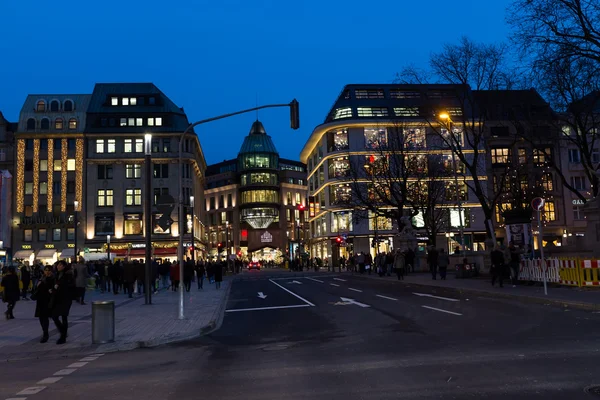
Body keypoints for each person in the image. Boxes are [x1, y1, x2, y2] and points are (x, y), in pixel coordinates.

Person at [51, 260, 75, 344]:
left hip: (65, 298)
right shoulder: (57, 274)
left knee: (64, 316)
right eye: (58, 265)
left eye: (60, 265)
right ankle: (63, 331)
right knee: (54, 316)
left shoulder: (68, 275)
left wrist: (59, 286)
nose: (58, 266)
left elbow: (71, 285)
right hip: (58, 298)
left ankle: (63, 336)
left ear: (64, 266)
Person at [34, 266, 55, 343]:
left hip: (48, 300)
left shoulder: (53, 279)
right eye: (46, 270)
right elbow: (37, 288)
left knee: (46, 317)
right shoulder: (41, 278)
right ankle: (45, 332)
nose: (47, 272)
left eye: (49, 270)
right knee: (41, 317)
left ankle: (45, 334)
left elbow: (52, 289)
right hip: (40, 300)